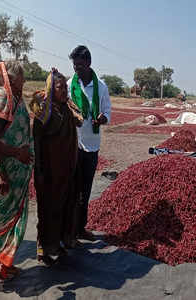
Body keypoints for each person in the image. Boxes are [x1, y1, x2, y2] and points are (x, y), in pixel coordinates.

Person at [32, 70, 83, 266]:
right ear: (50, 89)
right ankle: (43, 249)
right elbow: (36, 141)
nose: (64, 92)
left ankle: (57, 244)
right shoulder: (44, 111)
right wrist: (39, 169)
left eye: (65, 88)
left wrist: (70, 103)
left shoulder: (66, 109)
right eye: (60, 88)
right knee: (47, 211)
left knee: (63, 208)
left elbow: (80, 119)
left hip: (66, 170)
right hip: (49, 172)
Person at [0, 61, 33, 282]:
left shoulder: (17, 99)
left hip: (20, 172)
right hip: (6, 171)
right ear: (12, 78)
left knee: (12, 222)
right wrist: (1, 174)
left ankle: (3, 263)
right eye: (21, 77)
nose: (24, 81)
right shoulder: (2, 99)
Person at [67, 45, 111, 241]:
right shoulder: (69, 85)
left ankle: (80, 228)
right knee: (71, 189)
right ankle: (69, 230)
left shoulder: (101, 87)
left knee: (85, 190)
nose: (77, 69)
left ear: (89, 64)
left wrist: (102, 118)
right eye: (74, 66)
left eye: (80, 65)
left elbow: (107, 112)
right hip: (72, 145)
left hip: (92, 146)